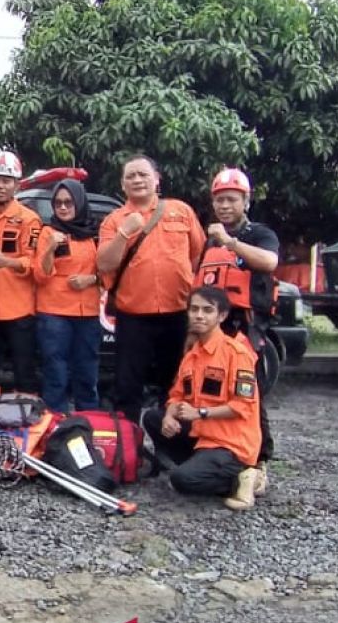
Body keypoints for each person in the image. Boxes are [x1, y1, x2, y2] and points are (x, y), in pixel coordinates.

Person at [97, 154, 204, 422]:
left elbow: (196, 255)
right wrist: (124, 233)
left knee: (176, 384)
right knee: (128, 387)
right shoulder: (114, 220)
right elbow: (104, 264)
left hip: (177, 313)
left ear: (157, 179)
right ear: (122, 185)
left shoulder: (181, 211)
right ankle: (128, 453)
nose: (137, 180)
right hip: (133, 317)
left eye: (143, 174)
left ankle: (171, 449)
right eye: (130, 176)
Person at [141, 287, 263, 511]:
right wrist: (169, 415)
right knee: (153, 418)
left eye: (208, 310)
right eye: (194, 309)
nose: (199, 315)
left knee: (182, 481)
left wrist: (200, 413)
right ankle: (197, 464)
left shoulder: (236, 354)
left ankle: (246, 476)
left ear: (222, 316)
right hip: (203, 436)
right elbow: (176, 395)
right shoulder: (192, 355)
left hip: (231, 444)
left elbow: (242, 405)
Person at [195, 166, 280, 486]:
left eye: (231, 200)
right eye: (219, 200)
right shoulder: (209, 242)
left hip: (246, 325)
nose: (224, 206)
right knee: (212, 390)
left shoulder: (259, 234)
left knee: (247, 391)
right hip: (214, 327)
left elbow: (269, 262)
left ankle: (259, 461)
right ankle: (218, 449)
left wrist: (230, 242)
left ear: (246, 201)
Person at [33, 179, 102, 412]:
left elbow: (110, 271)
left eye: (68, 203)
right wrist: (51, 248)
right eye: (58, 203)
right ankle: (55, 426)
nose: (63, 208)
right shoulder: (48, 233)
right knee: (56, 374)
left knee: (87, 372)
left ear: (80, 203)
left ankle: (89, 421)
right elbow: (40, 275)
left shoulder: (96, 233)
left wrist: (90, 279)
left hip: (87, 312)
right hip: (54, 313)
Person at [0, 151, 42, 393]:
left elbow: (34, 263)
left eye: (6, 181)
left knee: (24, 372)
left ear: (17, 184)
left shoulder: (29, 220)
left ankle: (30, 424)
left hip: (19, 311)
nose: (0, 186)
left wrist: (6, 262)